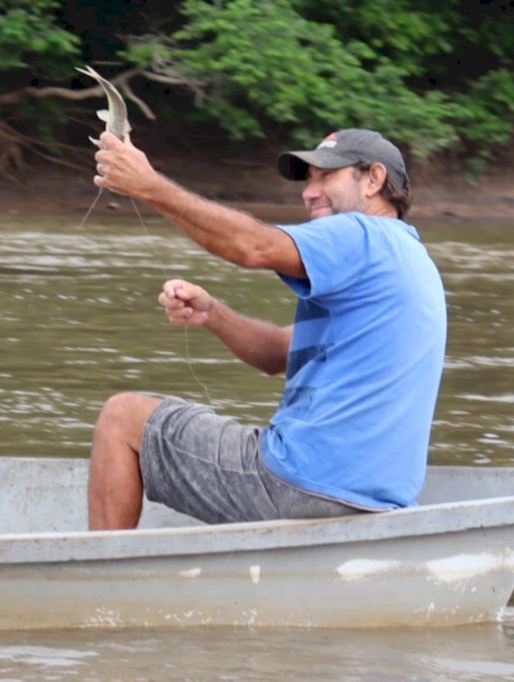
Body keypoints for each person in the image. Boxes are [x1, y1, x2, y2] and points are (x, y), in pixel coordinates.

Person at [87, 128, 447, 530]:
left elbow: (253, 246)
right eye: (308, 180)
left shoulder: (360, 236)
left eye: (326, 176)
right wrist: (213, 314)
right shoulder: (407, 257)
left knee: (121, 418)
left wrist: (148, 185)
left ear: (374, 180)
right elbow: (278, 352)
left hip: (302, 483)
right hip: (374, 501)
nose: (309, 192)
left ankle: (96, 585)